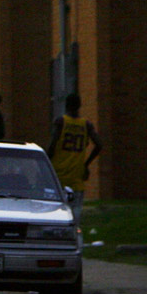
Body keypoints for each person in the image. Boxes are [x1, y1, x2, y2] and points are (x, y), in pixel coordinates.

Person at [47, 92, 103, 221]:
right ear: (80, 105)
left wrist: (46, 166)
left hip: (58, 176)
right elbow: (99, 145)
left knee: (56, 213)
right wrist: (86, 164)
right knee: (75, 215)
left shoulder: (61, 122)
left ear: (66, 105)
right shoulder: (86, 125)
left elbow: (51, 147)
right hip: (76, 177)